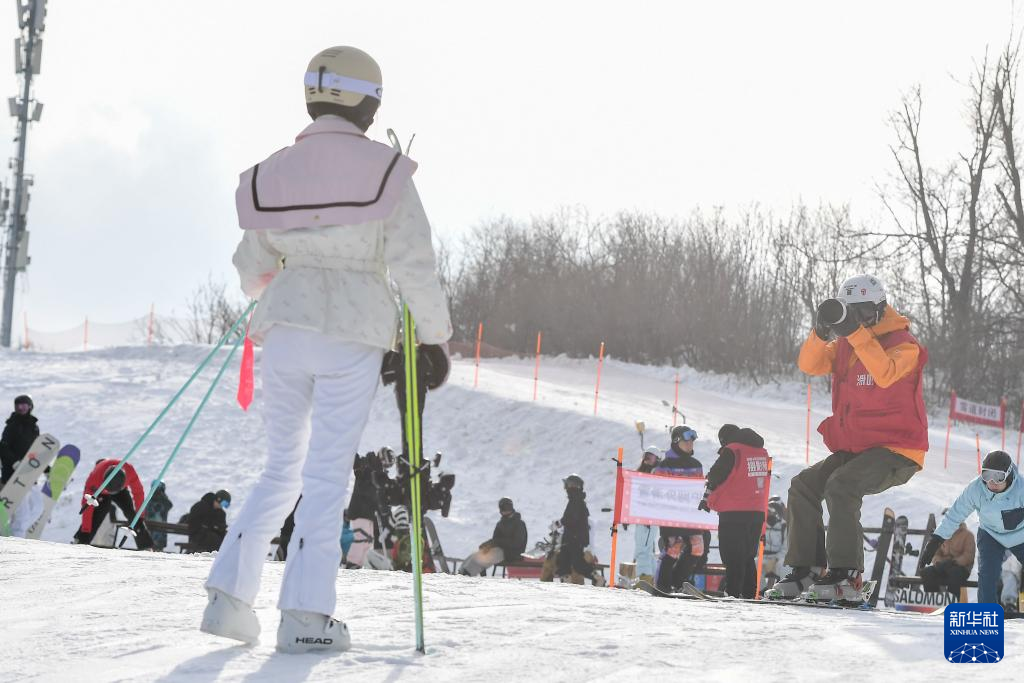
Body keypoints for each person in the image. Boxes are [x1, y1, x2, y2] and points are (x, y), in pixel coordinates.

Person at [201, 45, 452, 654]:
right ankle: (306, 614)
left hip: (285, 325)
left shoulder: (272, 171)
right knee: (326, 475)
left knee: (280, 467)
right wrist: (430, 337)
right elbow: (415, 263)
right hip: (354, 331)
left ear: (311, 96)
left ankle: (228, 598)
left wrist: (289, 279)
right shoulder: (387, 170)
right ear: (369, 102)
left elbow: (251, 266)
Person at [775, 275, 927, 601]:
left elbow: (884, 373)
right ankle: (807, 568)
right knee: (804, 485)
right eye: (851, 312)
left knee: (841, 486)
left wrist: (854, 332)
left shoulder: (905, 345)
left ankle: (848, 574)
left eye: (864, 312)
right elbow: (809, 363)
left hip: (897, 449)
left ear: (880, 308)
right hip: (858, 448)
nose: (858, 320)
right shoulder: (846, 344)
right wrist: (820, 332)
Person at [920, 451, 1024, 605]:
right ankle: (986, 614)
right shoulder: (976, 488)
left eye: (998, 477)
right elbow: (955, 514)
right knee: (987, 575)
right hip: (990, 534)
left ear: (1008, 476)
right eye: (987, 475)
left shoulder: (1021, 488)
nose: (992, 482)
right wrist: (936, 539)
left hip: (1019, 535)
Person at [700, 424, 770, 599]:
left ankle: (732, 593)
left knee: (732, 556)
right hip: (757, 512)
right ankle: (748, 594)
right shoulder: (761, 452)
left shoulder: (732, 450)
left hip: (733, 512)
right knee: (747, 556)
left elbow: (716, 475)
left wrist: (708, 497)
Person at [654, 426, 708, 592]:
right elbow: (657, 489)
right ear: (676, 441)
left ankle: (677, 582)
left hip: (690, 514)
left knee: (698, 548)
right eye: (686, 441)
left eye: (692, 441)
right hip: (671, 514)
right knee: (673, 548)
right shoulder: (665, 465)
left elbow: (700, 489)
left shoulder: (696, 465)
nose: (690, 444)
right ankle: (663, 585)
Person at [74, 459, 154, 550]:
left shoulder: (129, 471)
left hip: (121, 490)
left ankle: (146, 546)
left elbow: (138, 492)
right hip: (101, 492)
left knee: (132, 514)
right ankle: (81, 541)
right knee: (98, 514)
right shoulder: (94, 479)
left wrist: (140, 516)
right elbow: (87, 507)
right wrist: (85, 530)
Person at [554, 474, 604, 585]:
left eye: (567, 485)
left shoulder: (577, 501)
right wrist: (561, 523)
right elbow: (570, 518)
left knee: (577, 563)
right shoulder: (574, 500)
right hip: (571, 538)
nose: (565, 488)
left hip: (575, 539)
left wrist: (561, 522)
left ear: (573, 486)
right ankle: (566, 581)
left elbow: (572, 519)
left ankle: (597, 578)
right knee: (563, 560)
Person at [460, 497, 528, 576]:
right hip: (501, 550)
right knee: (476, 555)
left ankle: (468, 574)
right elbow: (495, 539)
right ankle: (461, 572)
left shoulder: (519, 523)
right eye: (504, 508)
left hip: (512, 553)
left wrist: (496, 542)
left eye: (508, 507)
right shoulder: (501, 523)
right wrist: (488, 545)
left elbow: (516, 543)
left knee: (484, 557)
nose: (506, 510)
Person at [919, 507, 974, 600]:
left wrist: (953, 562)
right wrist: (939, 562)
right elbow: (936, 553)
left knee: (954, 573)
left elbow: (968, 556)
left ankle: (953, 602)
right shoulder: (942, 534)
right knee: (927, 572)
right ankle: (934, 601)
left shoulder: (967, 535)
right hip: (943, 566)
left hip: (961, 568)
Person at [633, 445, 661, 585]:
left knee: (642, 549)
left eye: (651, 457)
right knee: (646, 549)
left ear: (657, 459)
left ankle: (645, 578)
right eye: (646, 456)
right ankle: (650, 579)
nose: (647, 460)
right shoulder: (643, 474)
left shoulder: (656, 473)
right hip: (642, 516)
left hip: (648, 517)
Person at [0, 395, 39, 484]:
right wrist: (15, 462)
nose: (20, 408)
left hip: (28, 472)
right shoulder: (11, 426)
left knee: (32, 496)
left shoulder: (34, 427)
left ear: (30, 406)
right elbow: (3, 447)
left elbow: (36, 449)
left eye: (23, 406)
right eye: (18, 406)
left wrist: (45, 468)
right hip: (11, 472)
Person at [761, 496, 789, 585]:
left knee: (783, 565)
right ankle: (759, 590)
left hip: (778, 558)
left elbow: (785, 548)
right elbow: (758, 546)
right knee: (755, 563)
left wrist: (775, 559)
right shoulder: (762, 526)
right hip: (764, 557)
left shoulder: (784, 526)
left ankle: (781, 588)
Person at [145, 482, 174, 551]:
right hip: (156, 528)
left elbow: (169, 505)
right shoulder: (158, 499)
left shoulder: (152, 499)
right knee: (155, 547)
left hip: (156, 528)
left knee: (153, 547)